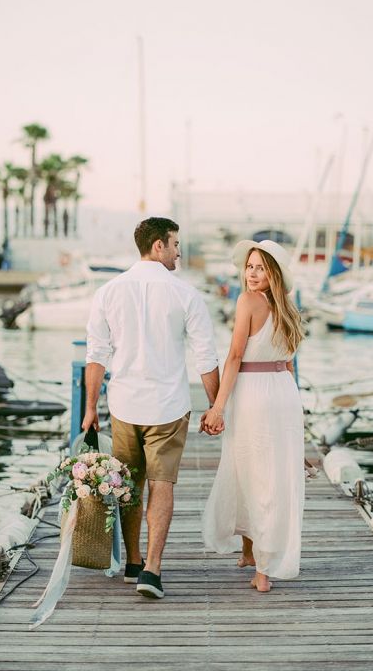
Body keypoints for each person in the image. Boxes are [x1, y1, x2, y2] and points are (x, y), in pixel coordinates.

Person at [83, 217, 219, 599]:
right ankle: (153, 571)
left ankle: (133, 561)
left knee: (128, 485)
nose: (179, 251)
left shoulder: (108, 291)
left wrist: (91, 407)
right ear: (158, 246)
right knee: (162, 485)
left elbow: (97, 355)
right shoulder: (186, 295)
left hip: (124, 405)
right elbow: (205, 358)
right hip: (168, 407)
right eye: (175, 243)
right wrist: (215, 405)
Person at [201, 239, 305, 592]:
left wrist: (217, 407)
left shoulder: (247, 301)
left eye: (260, 267)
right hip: (283, 392)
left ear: (273, 272)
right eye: (249, 266)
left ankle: (262, 571)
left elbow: (234, 357)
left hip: (254, 393)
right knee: (266, 473)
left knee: (257, 477)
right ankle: (249, 551)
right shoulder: (287, 307)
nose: (252, 273)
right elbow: (289, 362)